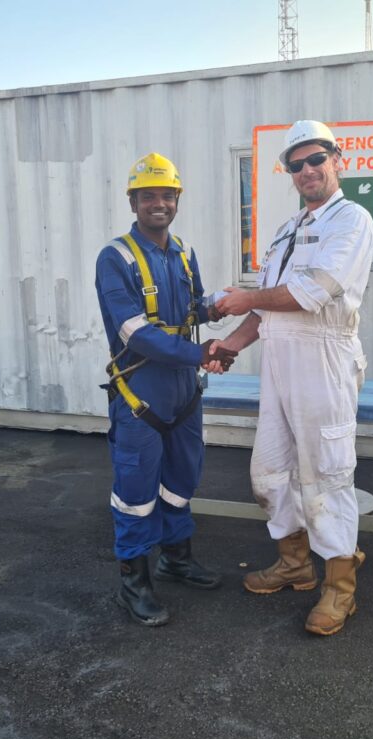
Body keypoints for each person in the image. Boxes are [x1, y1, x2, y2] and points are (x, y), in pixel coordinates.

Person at [214, 120, 373, 636]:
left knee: (327, 474)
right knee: (271, 472)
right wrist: (230, 345)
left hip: (324, 360)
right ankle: (294, 563)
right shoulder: (285, 230)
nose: (307, 170)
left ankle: (339, 589)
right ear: (288, 173)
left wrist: (246, 297)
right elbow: (266, 313)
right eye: (296, 164)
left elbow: (313, 293)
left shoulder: (351, 220)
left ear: (337, 161)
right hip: (280, 363)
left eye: (316, 159)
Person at [95, 152, 237, 627]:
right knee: (135, 490)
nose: (159, 203)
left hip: (183, 393)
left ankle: (175, 558)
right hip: (141, 395)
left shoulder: (183, 252)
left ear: (177, 200)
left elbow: (190, 308)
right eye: (149, 196)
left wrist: (216, 306)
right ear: (134, 202)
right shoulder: (115, 258)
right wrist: (203, 355)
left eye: (167, 195)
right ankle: (133, 585)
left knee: (180, 482)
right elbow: (134, 331)